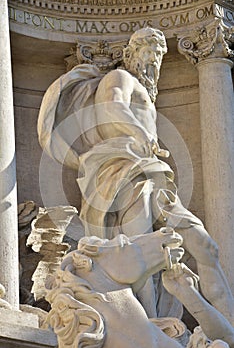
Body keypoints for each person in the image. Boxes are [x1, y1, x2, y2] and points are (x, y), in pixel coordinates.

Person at [38, 27, 234, 323]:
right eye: (148, 53)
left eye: (158, 57)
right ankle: (149, 327)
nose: (153, 62)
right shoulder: (120, 77)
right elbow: (111, 106)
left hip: (151, 173)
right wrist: (140, 132)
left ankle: (227, 326)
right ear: (129, 55)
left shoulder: (145, 92)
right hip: (122, 169)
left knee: (204, 244)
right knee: (140, 250)